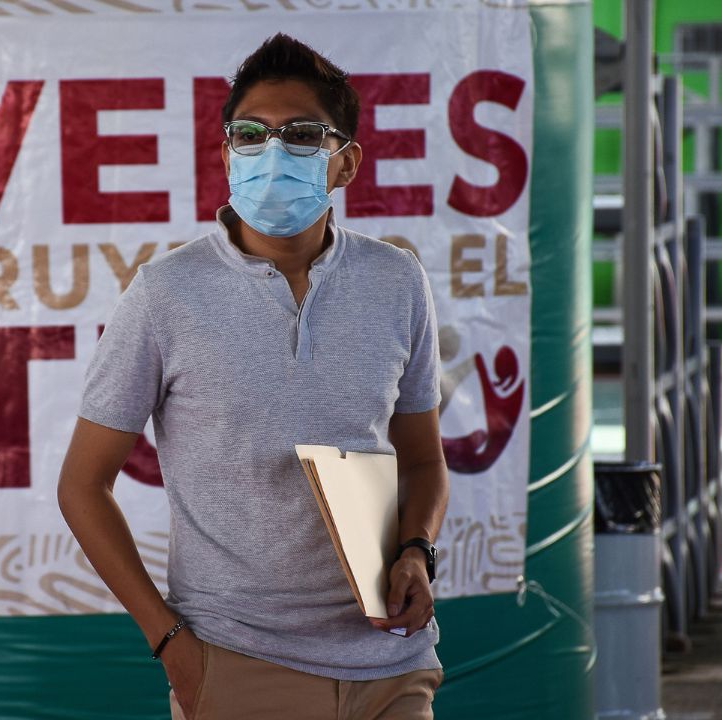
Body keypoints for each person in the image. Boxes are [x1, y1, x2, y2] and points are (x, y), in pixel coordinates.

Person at [57, 33, 449, 720]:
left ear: (345, 163)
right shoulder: (165, 293)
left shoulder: (397, 281)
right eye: (250, 135)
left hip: (392, 661)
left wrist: (417, 550)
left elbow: (423, 460)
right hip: (234, 662)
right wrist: (173, 645)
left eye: (301, 136)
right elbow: (82, 486)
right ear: (226, 155)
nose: (272, 153)